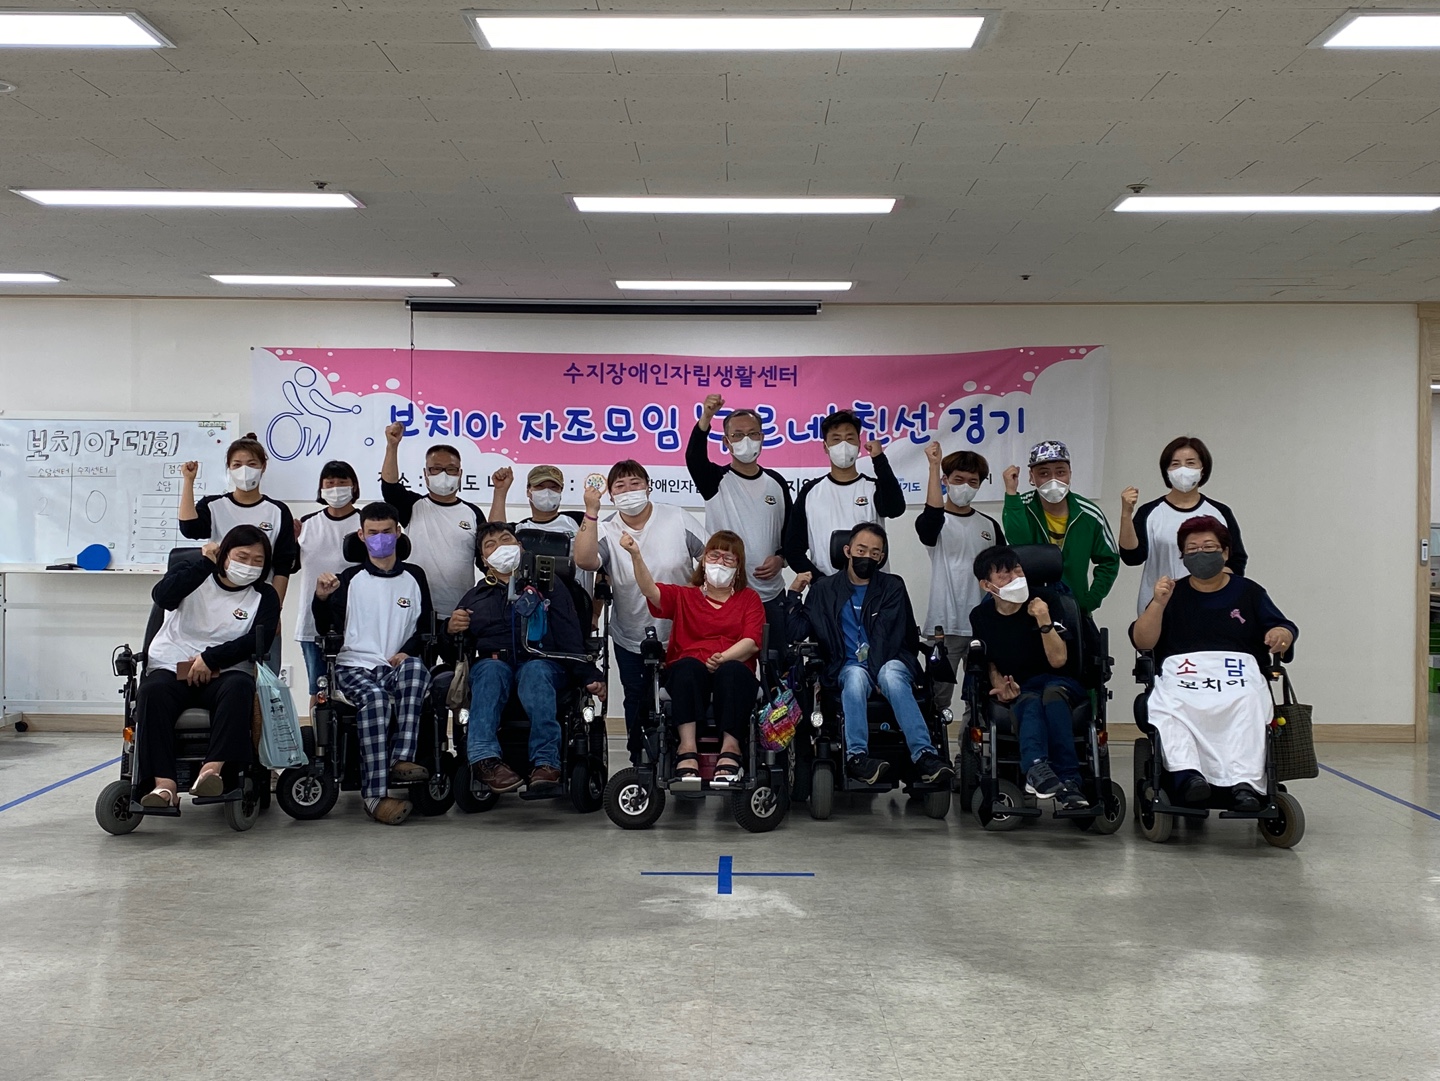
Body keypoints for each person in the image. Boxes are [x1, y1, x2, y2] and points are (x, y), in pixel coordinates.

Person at [1130, 515, 1296, 810]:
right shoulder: (1171, 594)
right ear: (1182, 557)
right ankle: (1187, 776)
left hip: (1237, 678)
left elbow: (1282, 626)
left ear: (1226, 552)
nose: (1200, 554)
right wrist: (1158, 603)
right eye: (1192, 550)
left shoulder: (1249, 592)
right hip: (1185, 679)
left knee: (1249, 702)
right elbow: (1143, 641)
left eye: (1208, 547)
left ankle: (1244, 783)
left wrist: (1281, 633)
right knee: (1170, 705)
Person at [786, 523, 953, 786]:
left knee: (890, 675)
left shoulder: (892, 586)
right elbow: (795, 631)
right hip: (846, 665)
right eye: (861, 550)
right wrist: (794, 594)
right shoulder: (824, 589)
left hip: (890, 660)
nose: (867, 556)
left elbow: (889, 637)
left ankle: (925, 755)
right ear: (847, 550)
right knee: (854, 676)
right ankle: (857, 758)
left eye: (875, 553)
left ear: (882, 557)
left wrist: (875, 673)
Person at [448, 523, 605, 794]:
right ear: (484, 560)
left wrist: (589, 675)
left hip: (543, 662)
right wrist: (450, 629)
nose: (500, 547)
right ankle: (485, 759)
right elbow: (456, 650)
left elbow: (569, 633)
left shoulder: (549, 586)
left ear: (520, 547)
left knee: (535, 672)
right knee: (490, 671)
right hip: (494, 664)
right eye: (490, 544)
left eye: (506, 539)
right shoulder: (475, 596)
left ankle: (546, 762)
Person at [135, 526, 279, 807]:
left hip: (224, 672)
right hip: (172, 666)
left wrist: (211, 658)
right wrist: (204, 565)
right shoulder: (192, 573)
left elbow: (257, 640)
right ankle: (164, 785)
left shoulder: (264, 595)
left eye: (258, 561)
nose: (249, 565)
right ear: (224, 554)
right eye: (242, 557)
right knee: (152, 692)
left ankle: (211, 772)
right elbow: (162, 597)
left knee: (240, 687)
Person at [574, 460, 706, 766]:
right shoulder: (607, 528)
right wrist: (591, 511)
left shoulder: (677, 518)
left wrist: (696, 596)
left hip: (682, 632)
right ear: (610, 494)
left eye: (635, 483)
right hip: (631, 633)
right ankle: (639, 763)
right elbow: (585, 560)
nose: (628, 490)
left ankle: (686, 758)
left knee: (685, 694)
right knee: (636, 697)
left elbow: (710, 556)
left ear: (648, 487)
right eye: (620, 486)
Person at [313, 503, 435, 825]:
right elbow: (326, 627)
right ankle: (375, 796)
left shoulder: (415, 576)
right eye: (373, 532)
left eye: (386, 532)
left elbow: (425, 627)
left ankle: (401, 759)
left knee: (417, 670)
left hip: (394, 665)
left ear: (398, 532)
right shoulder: (349, 579)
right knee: (377, 700)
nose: (380, 538)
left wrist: (408, 651)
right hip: (354, 666)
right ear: (361, 535)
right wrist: (321, 599)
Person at [622, 529, 766, 786]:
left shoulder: (749, 599)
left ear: (738, 567)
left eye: (728, 558)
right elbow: (650, 591)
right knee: (687, 668)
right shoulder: (685, 596)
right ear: (704, 561)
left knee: (732, 671)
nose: (720, 562)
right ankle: (686, 749)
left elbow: (752, 641)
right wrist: (635, 555)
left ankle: (731, 748)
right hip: (689, 669)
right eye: (714, 555)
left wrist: (723, 657)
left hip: (732, 666)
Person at [969, 544, 1090, 811]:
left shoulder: (1049, 601)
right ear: (987, 585)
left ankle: (1065, 778)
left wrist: (1043, 620)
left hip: (1060, 682)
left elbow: (1059, 660)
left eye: (1018, 570)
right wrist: (999, 684)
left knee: (1050, 696)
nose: (1016, 578)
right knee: (1030, 700)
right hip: (1022, 687)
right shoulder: (981, 616)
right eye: (1005, 575)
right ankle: (1040, 770)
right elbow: (988, 661)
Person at [178, 433, 298, 668]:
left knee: (265, 673)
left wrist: (275, 609)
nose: (245, 470)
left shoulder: (277, 511)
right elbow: (189, 528)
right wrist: (188, 481)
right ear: (229, 469)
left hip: (260, 601)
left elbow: (283, 566)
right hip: (219, 599)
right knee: (221, 666)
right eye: (237, 465)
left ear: (263, 467)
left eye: (252, 464)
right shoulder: (214, 505)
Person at [916, 441, 1004, 714]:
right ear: (946, 481)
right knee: (937, 699)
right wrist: (933, 466)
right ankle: (934, 741)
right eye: (958, 479)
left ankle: (971, 742)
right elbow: (932, 516)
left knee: (981, 701)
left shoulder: (989, 525)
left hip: (983, 626)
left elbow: (1004, 573)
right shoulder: (935, 523)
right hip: (945, 625)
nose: (965, 486)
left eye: (972, 481)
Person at [1119, 435, 1248, 615]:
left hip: (1209, 607)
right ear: (1166, 471)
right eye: (1175, 464)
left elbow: (1236, 561)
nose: (1183, 470)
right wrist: (1126, 514)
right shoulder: (1150, 512)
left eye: (1190, 463)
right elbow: (1132, 557)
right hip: (1159, 606)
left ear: (1203, 469)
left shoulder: (1220, 512)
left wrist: (1214, 590)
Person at [686, 395, 792, 606]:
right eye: (738, 435)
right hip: (726, 593)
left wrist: (782, 559)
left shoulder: (776, 482)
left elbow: (790, 531)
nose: (746, 440)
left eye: (753, 434)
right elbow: (694, 457)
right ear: (727, 442)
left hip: (771, 594)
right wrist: (707, 417)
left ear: (762, 438)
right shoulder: (715, 480)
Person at [380, 421, 485, 619]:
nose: (444, 474)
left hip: (459, 612)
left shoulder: (472, 513)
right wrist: (392, 446)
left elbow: (485, 559)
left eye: (451, 469)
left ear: (460, 473)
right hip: (415, 608)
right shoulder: (413, 506)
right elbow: (390, 489)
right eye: (436, 469)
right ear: (425, 474)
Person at [783, 408, 905, 578]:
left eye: (850, 438)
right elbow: (793, 548)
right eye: (836, 439)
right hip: (826, 586)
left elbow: (895, 509)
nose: (844, 445)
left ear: (859, 445)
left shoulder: (873, 487)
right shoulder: (810, 492)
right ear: (825, 447)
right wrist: (820, 583)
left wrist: (879, 459)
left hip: (873, 586)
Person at [1001, 439, 1118, 613]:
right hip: (1029, 607)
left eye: (1061, 472)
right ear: (1031, 477)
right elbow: (1018, 543)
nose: (1053, 480)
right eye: (1044, 474)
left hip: (1075, 609)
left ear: (1070, 474)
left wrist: (1090, 599)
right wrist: (1011, 493)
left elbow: (1109, 561)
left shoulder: (1089, 514)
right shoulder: (1021, 507)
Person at [292, 460, 362, 712]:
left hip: (357, 622)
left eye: (342, 482)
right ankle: (318, 736)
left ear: (354, 487)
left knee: (356, 687)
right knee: (318, 688)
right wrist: (291, 540)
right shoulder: (307, 523)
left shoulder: (365, 523)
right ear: (321, 488)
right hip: (313, 623)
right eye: (329, 483)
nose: (336, 488)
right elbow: (291, 566)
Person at [489, 462, 596, 621]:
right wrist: (500, 491)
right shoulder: (520, 530)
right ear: (529, 491)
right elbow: (493, 536)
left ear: (561, 491)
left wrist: (596, 613)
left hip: (575, 608)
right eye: (540, 486)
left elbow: (602, 565)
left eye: (553, 487)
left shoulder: (580, 521)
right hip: (530, 611)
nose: (547, 492)